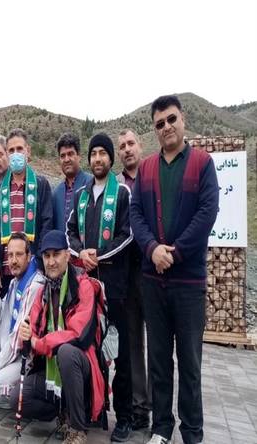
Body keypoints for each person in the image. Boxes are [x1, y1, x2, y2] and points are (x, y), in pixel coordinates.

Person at [130, 95, 219, 444]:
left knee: (190, 362)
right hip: (153, 281)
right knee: (159, 361)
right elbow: (136, 214)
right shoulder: (147, 168)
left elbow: (206, 214)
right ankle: (161, 429)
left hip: (188, 283)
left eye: (171, 119)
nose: (166, 127)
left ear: (183, 120)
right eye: (159, 123)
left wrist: (175, 253)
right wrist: (152, 249)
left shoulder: (202, 164)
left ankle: (192, 433)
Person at [66, 133, 133, 442]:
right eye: (93, 153)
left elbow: (127, 234)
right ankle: (95, 411)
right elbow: (69, 232)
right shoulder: (81, 195)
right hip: (87, 288)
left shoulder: (121, 194)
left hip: (115, 287)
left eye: (102, 153)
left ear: (110, 158)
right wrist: (81, 252)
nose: (97, 159)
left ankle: (125, 417)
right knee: (89, 347)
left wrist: (98, 255)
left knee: (119, 352)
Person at [13, 230, 106, 444]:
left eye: (56, 254)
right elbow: (30, 332)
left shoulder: (83, 286)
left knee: (66, 352)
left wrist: (39, 342)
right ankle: (62, 412)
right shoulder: (43, 290)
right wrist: (25, 335)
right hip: (51, 367)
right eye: (47, 256)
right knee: (18, 397)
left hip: (82, 367)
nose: (51, 261)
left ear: (67, 255)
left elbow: (79, 336)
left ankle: (78, 429)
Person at [0, 232, 44, 409]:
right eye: (10, 255)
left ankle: (5, 392)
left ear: (29, 256)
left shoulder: (34, 285)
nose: (13, 260)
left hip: (26, 356)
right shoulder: (15, 281)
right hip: (11, 348)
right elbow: (0, 316)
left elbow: (17, 339)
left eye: (19, 255)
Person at [0, 128, 53, 296]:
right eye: (11, 150)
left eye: (19, 149)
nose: (15, 154)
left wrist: (39, 261)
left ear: (27, 151)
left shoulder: (41, 185)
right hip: (5, 269)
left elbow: (47, 223)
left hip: (33, 268)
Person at [117, 129, 151, 430]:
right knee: (132, 344)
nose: (127, 149)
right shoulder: (115, 187)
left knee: (159, 344)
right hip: (126, 274)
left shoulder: (153, 178)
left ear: (140, 146)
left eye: (131, 144)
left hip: (153, 271)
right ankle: (139, 408)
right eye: (122, 146)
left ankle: (160, 408)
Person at [52, 133, 92, 232]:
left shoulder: (91, 184)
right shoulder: (56, 193)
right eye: (62, 156)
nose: (66, 159)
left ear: (79, 156)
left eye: (70, 154)